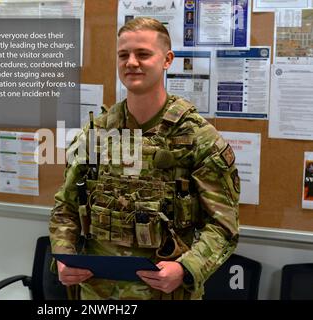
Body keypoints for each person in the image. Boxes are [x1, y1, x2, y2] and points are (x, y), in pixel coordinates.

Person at [49, 17, 240, 300]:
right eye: (123, 55)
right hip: (97, 294)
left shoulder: (198, 137)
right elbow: (65, 206)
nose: (131, 62)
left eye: (143, 54)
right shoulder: (97, 131)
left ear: (167, 60)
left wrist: (186, 269)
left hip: (164, 293)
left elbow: (224, 226)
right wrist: (64, 256)